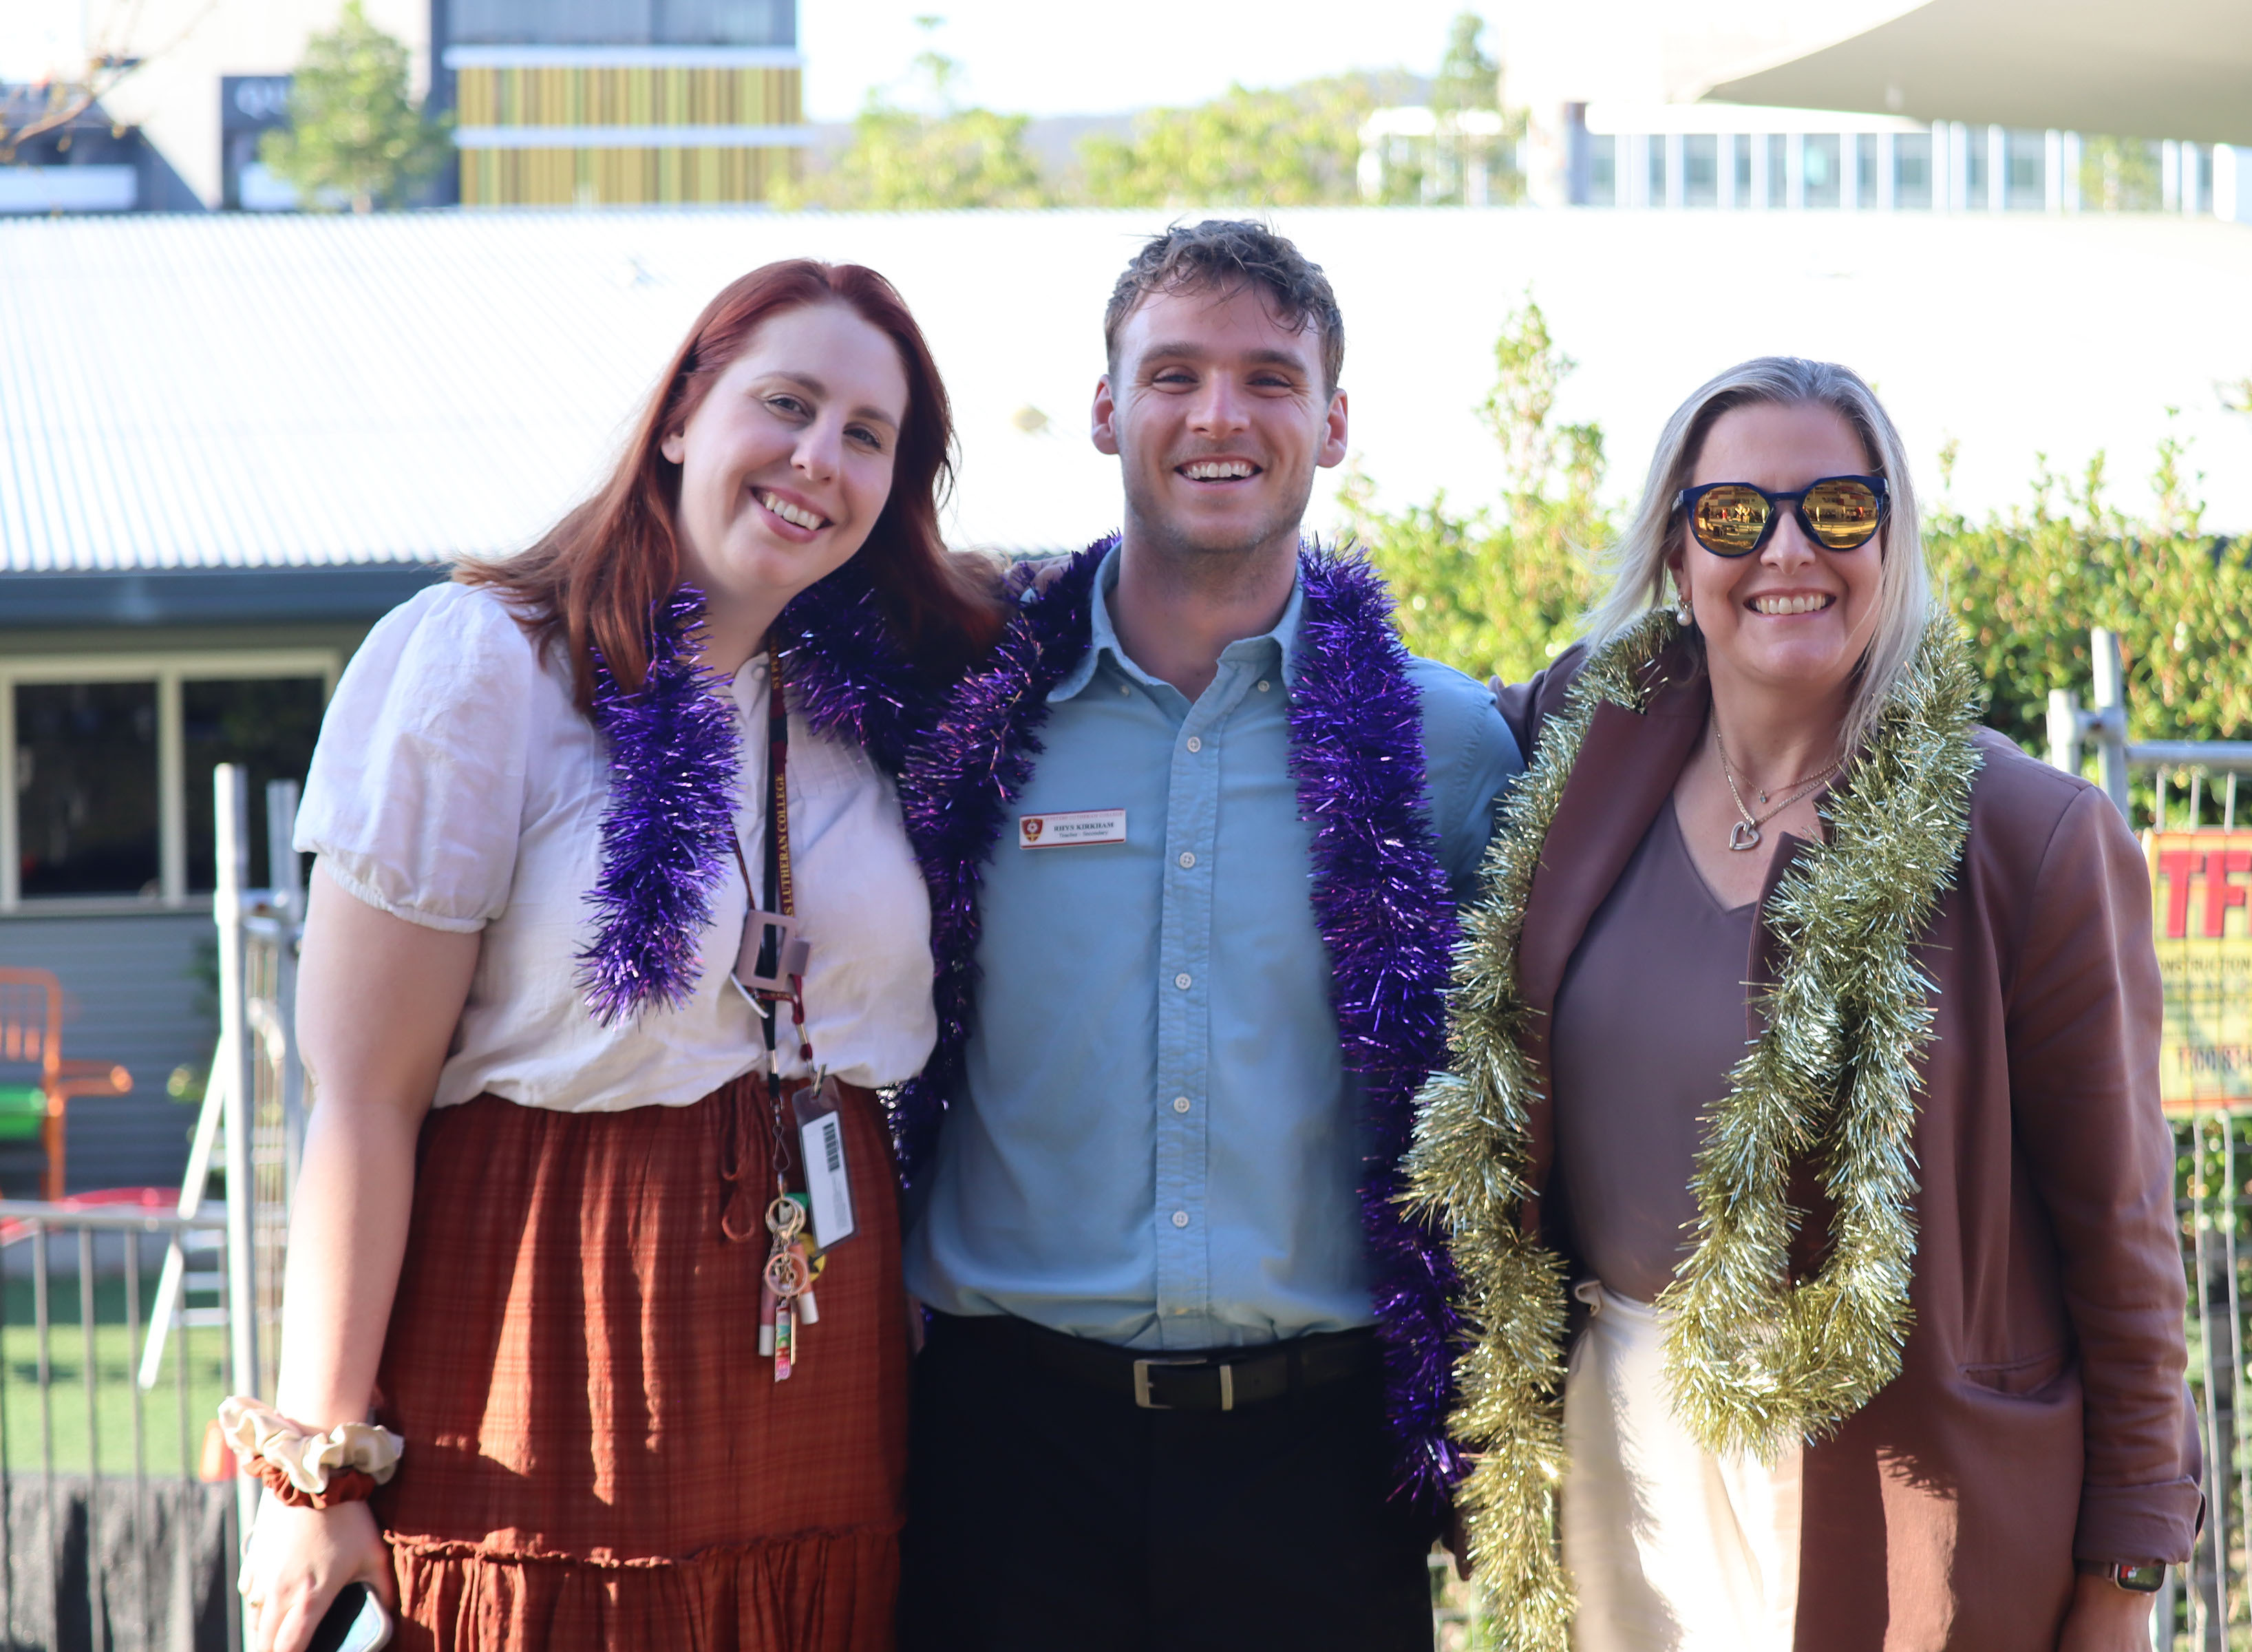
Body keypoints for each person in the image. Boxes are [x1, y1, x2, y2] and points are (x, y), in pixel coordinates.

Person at [229, 259, 1001, 1652]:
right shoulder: (486, 664)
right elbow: (362, 1100)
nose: (818, 459)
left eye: (867, 435)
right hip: (553, 1335)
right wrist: (315, 1472)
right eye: (787, 403)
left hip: (818, 1374)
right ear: (680, 416)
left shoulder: (866, 702)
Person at [1405, 357, 2202, 1652]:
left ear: (1890, 540)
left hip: (1894, 1463)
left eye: (1836, 509)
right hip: (1620, 1441)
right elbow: (1391, 714)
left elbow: (2123, 1233)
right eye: (1734, 515)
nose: (1787, 550)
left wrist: (2126, 1571)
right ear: (1677, 553)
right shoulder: (1582, 751)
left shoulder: (2027, 837)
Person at [890, 220, 1522, 1651]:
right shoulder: (965, 717)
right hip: (1003, 1456)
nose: (1220, 416)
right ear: (1106, 409)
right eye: (1173, 374)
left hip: (1320, 1472)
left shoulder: (1445, 748)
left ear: (1334, 423)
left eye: (1270, 378)